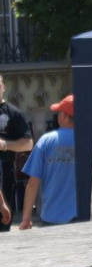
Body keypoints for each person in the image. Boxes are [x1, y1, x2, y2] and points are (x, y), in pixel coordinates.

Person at [19, 95, 76, 228]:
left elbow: (33, 183)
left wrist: (26, 219)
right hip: (82, 217)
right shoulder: (90, 142)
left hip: (52, 217)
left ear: (64, 115)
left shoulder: (46, 141)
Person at [0, 74, 34, 231]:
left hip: (5, 172)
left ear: (4, 87)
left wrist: (6, 145)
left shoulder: (13, 113)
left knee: (3, 225)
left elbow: (28, 144)